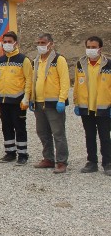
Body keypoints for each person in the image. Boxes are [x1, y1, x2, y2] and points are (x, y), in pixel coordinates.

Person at [30, 33, 70, 174]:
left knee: (58, 133)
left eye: (43, 43)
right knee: (42, 132)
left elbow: (65, 81)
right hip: (39, 102)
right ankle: (48, 158)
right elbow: (34, 80)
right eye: (38, 43)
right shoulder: (36, 60)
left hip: (53, 103)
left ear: (51, 44)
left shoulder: (59, 60)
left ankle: (61, 161)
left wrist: (62, 99)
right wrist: (31, 98)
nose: (40, 45)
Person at [0, 31, 33, 165]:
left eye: (9, 42)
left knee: (19, 127)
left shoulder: (23, 60)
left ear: (15, 43)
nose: (7, 44)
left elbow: (29, 80)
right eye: (5, 42)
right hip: (4, 101)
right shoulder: (1, 60)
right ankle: (10, 152)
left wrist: (26, 98)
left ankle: (22, 154)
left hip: (18, 101)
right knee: (6, 127)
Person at [73, 36, 111, 176]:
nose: (90, 50)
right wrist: (76, 102)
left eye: (93, 47)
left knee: (105, 137)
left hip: (104, 107)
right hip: (86, 107)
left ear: (100, 48)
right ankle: (92, 162)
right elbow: (77, 84)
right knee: (89, 136)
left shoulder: (108, 64)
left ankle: (108, 163)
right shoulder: (80, 64)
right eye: (88, 47)